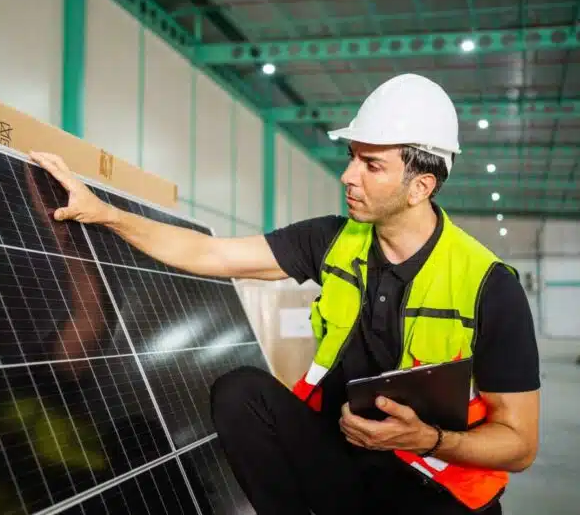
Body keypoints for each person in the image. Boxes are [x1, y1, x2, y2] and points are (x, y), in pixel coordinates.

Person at [28, 73, 541, 515]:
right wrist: (107, 214)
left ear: (421, 186)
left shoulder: (489, 286)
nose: (348, 176)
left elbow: (519, 445)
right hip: (349, 461)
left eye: (371, 165)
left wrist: (427, 438)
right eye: (352, 158)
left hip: (436, 487)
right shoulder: (332, 240)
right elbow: (213, 255)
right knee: (242, 394)